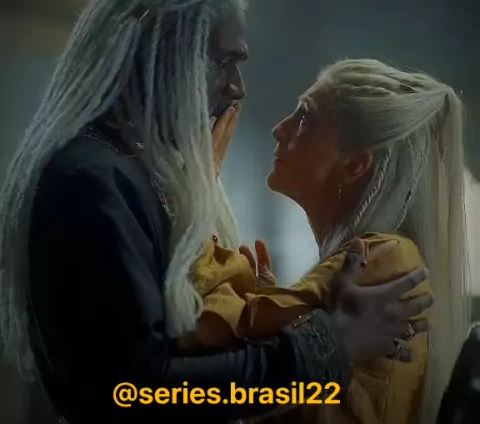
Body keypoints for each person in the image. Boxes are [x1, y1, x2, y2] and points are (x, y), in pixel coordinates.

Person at [0, 0, 433, 424]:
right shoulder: (94, 182)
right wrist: (327, 349)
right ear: (163, 54)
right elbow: (139, 395)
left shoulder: (117, 174)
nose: (237, 88)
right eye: (225, 62)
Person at [181, 59, 470, 424]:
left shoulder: (384, 258)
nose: (279, 130)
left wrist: (196, 184)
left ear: (353, 165)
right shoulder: (376, 257)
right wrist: (275, 309)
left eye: (305, 118)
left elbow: (209, 326)